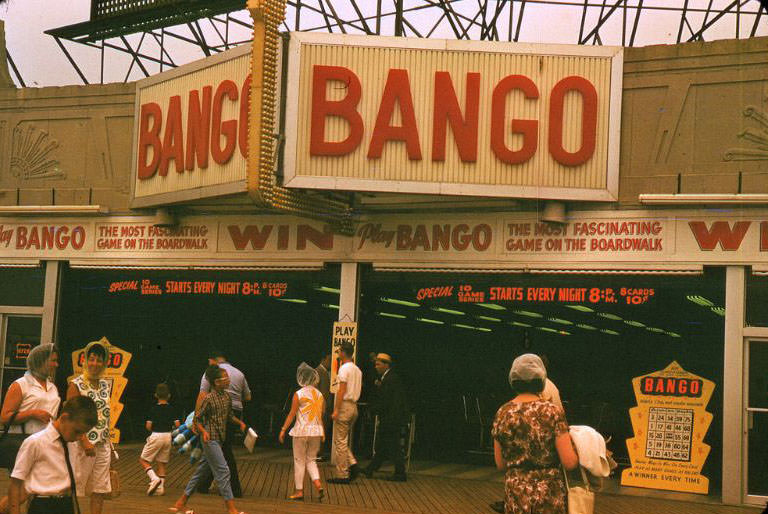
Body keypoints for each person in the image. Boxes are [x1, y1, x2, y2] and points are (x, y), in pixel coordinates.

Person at [491, 354, 578, 514]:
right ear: (541, 379)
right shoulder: (552, 411)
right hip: (549, 498)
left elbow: (500, 464)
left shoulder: (502, 413)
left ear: (513, 380)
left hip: (516, 497)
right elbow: (569, 462)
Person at [171, 365, 247, 514]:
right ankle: (231, 509)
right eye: (225, 378)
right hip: (210, 439)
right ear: (216, 382)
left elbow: (229, 415)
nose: (228, 380)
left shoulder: (226, 397)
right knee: (223, 470)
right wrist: (203, 431)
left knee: (201, 473)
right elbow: (197, 419)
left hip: (220, 438)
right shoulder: (208, 399)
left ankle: (181, 502)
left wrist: (240, 423)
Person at [8, 396, 98, 514]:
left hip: (67, 503)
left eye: (82, 433)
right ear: (64, 418)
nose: (78, 437)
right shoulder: (35, 442)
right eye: (77, 431)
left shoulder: (73, 443)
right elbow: (16, 482)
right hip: (42, 505)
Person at [0, 344, 62, 514]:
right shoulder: (20, 385)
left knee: (36, 489)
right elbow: (4, 417)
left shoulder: (52, 387)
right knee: (24, 491)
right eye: (53, 361)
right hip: (23, 444)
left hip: (46, 445)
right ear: (41, 361)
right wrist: (32, 413)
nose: (56, 365)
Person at [196, 349, 250, 497]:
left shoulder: (211, 373)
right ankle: (203, 484)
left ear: (213, 361)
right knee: (220, 448)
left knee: (221, 449)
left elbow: (202, 394)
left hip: (216, 411)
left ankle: (233, 488)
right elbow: (248, 396)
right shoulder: (239, 373)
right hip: (235, 410)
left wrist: (196, 418)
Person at [66, 340, 112, 514]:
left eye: (99, 360)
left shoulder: (105, 384)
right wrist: (84, 440)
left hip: (103, 445)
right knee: (75, 487)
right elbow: (70, 417)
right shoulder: (76, 385)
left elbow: (105, 417)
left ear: (105, 362)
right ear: (85, 360)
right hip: (81, 446)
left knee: (99, 489)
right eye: (92, 359)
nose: (95, 363)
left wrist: (110, 447)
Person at [278, 363, 325, 501]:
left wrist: (283, 429)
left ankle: (299, 491)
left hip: (301, 431)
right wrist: (323, 432)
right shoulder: (320, 395)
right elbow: (319, 415)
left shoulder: (298, 394)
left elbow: (292, 414)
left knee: (299, 461)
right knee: (311, 460)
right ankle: (318, 483)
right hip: (316, 430)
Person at [362, 353, 409, 482]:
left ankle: (400, 473)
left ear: (386, 365)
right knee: (384, 445)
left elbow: (386, 400)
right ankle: (371, 468)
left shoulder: (390, 379)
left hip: (391, 418)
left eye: (378, 364)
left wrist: (373, 409)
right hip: (392, 417)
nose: (376, 367)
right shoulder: (389, 378)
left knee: (393, 446)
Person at [327, 342, 362, 484]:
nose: (338, 352)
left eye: (339, 350)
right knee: (343, 439)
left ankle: (342, 474)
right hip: (354, 407)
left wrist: (336, 409)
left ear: (343, 353)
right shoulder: (357, 370)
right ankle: (352, 464)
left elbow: (341, 390)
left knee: (340, 441)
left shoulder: (343, 369)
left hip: (344, 406)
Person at [139, 383, 180, 496]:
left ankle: (154, 479)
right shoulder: (172, 409)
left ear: (156, 395)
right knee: (161, 463)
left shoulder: (153, 409)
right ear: (169, 396)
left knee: (143, 460)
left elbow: (148, 426)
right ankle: (160, 489)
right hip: (168, 436)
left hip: (156, 435)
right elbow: (177, 424)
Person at [314, 353, 332, 459]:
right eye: (329, 360)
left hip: (326, 405)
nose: (330, 363)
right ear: (323, 359)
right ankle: (316, 452)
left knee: (323, 428)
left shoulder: (327, 373)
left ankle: (320, 451)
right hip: (320, 405)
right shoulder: (318, 371)